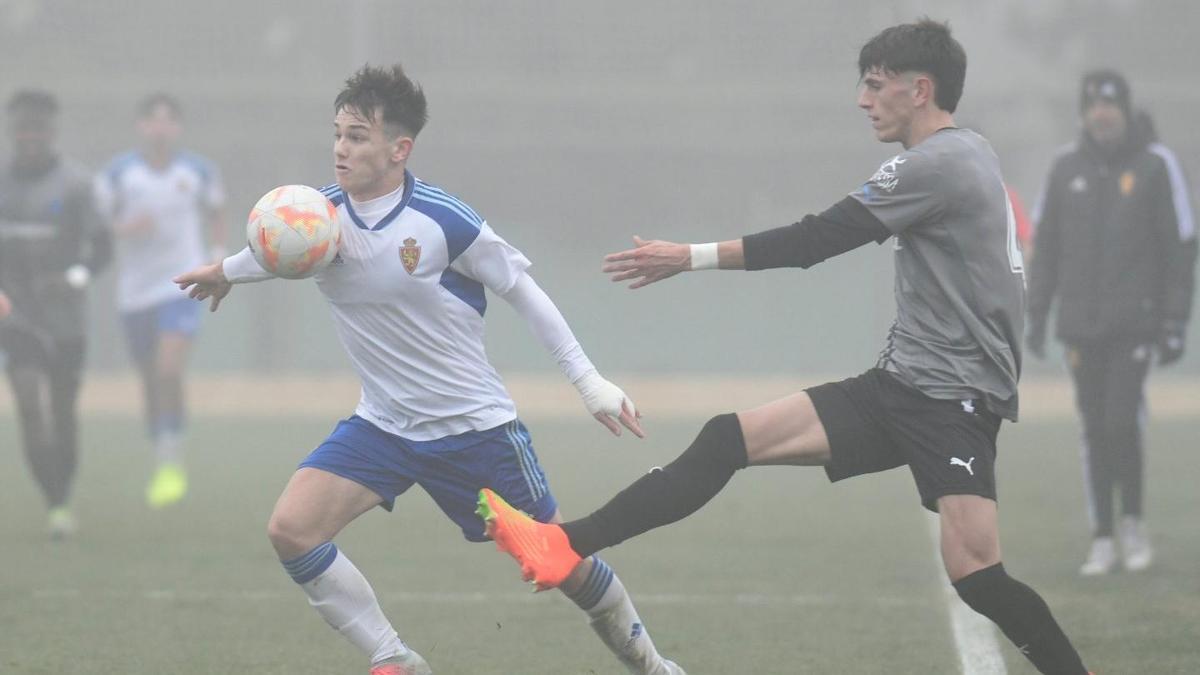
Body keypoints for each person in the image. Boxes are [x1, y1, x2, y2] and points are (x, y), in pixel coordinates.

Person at [480, 20, 1095, 675]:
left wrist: (688, 256)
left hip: (953, 399)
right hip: (902, 385)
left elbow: (815, 240)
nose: (863, 98)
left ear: (921, 90)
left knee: (975, 573)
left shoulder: (942, 163)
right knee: (728, 439)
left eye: (876, 84)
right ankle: (562, 544)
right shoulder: (961, 155)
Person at [174, 65, 684, 675]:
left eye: (358, 136)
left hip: (474, 432)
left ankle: (654, 665)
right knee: (293, 530)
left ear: (399, 148)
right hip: (384, 428)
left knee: (561, 561)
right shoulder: (320, 215)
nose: (341, 148)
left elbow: (524, 292)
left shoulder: (444, 220)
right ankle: (395, 659)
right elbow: (284, 244)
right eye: (337, 133)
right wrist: (226, 273)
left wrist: (588, 383)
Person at [1026, 71, 1196, 576]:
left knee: (1123, 423)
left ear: (1124, 110)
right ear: (1084, 115)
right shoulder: (1064, 169)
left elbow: (1179, 249)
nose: (1101, 116)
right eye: (1093, 108)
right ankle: (1102, 536)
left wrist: (1173, 322)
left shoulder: (1155, 165)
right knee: (1095, 428)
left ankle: (1134, 525)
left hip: (1134, 324)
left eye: (1110, 107)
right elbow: (1047, 249)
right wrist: (1037, 316)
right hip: (1080, 325)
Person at [93, 93, 228, 508]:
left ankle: (173, 462)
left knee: (170, 369)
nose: (160, 128)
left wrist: (218, 258)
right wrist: (124, 228)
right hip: (134, 294)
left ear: (178, 128)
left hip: (181, 285)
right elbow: (98, 226)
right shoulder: (117, 175)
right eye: (153, 120)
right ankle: (162, 454)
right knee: (152, 379)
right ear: (141, 127)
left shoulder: (198, 171)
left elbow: (217, 212)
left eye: (169, 120)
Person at [0, 89, 111, 537]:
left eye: (38, 128)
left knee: (64, 413)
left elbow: (101, 248)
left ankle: (62, 498)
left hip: (65, 318)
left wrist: (74, 278)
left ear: (51, 132)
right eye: (22, 128)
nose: (30, 137)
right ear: (13, 130)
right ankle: (52, 500)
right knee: (29, 404)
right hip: (16, 316)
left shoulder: (77, 185)